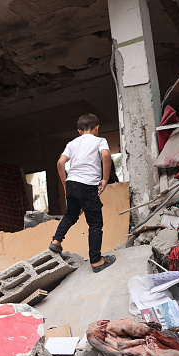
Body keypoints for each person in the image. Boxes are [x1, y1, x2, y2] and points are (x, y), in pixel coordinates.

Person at [49, 114, 116, 273]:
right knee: (95, 224)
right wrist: (105, 179)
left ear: (79, 131)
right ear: (97, 128)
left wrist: (65, 183)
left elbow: (60, 163)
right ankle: (96, 261)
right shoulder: (100, 140)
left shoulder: (72, 143)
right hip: (87, 186)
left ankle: (56, 241)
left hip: (72, 184)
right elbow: (106, 155)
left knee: (71, 215)